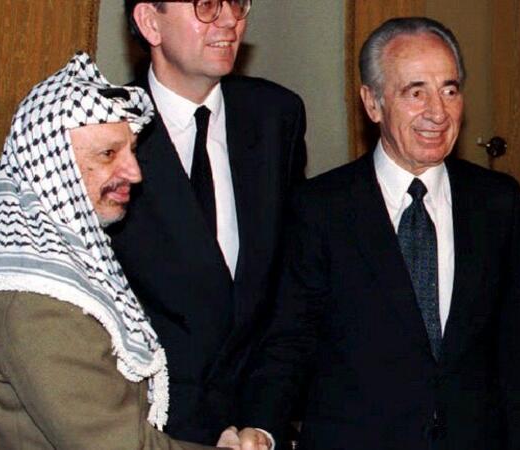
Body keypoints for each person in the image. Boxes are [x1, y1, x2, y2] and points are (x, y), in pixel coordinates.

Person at [0, 52, 248, 449]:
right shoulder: (39, 301)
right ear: (52, 162)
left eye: (132, 150)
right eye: (108, 154)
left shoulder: (33, 251)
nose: (134, 172)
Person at [241, 17, 520, 449]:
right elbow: (289, 339)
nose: (438, 112)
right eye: (416, 92)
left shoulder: (497, 203)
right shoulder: (321, 208)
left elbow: (516, 351)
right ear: (373, 103)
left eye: (449, 90)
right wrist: (261, 426)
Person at [108, 0, 307, 446]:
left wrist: (262, 424)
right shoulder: (106, 132)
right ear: (150, 22)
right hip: (150, 429)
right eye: (206, 5)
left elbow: (289, 294)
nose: (231, 19)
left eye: (236, 3)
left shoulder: (275, 115)